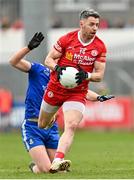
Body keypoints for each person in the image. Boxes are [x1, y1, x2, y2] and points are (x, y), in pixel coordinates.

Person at [38, 9, 108, 173]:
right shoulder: (66, 39)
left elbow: (99, 76)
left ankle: (57, 160)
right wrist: (57, 68)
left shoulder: (99, 47)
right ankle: (54, 115)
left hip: (77, 92)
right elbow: (48, 59)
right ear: (81, 23)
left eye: (97, 25)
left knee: (71, 126)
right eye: (91, 24)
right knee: (42, 124)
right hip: (56, 87)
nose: (95, 28)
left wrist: (87, 75)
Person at [9, 32, 61, 174]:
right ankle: (34, 167)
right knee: (47, 169)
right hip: (33, 126)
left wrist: (98, 97)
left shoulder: (63, 79)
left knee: (57, 171)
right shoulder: (38, 70)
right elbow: (13, 61)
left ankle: (43, 163)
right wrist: (28, 48)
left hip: (51, 128)